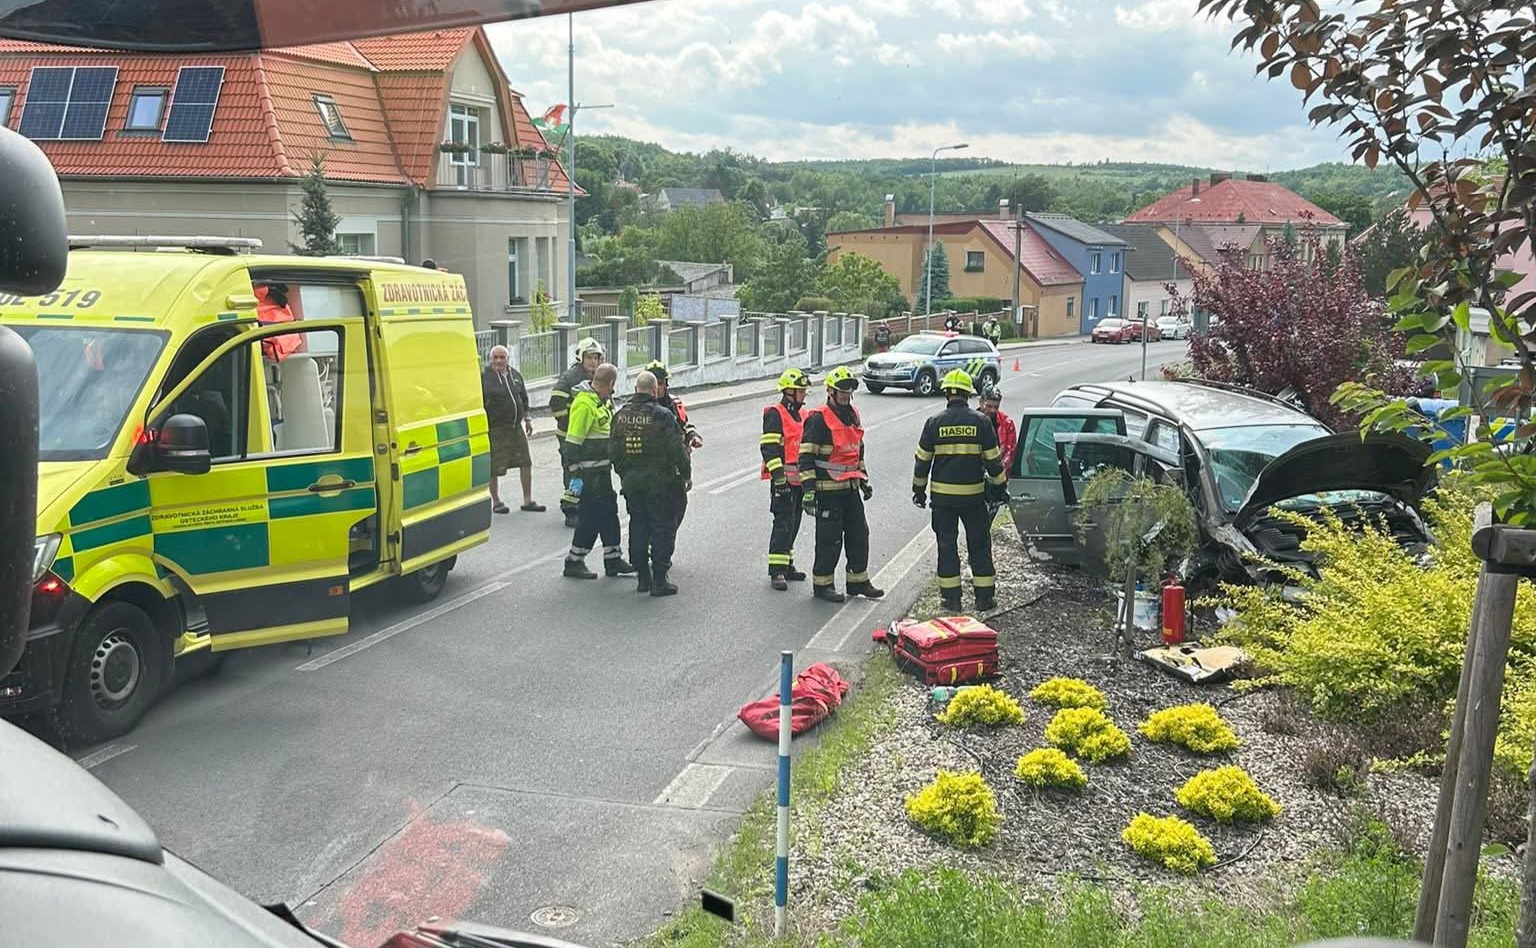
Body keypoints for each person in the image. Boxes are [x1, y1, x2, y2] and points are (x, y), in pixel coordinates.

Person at [912, 369, 1008, 613]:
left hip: (943, 501)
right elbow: (994, 461)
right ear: (968, 394)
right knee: (979, 545)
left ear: (946, 394)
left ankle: (951, 600)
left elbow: (922, 461)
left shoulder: (934, 423)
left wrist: (919, 491)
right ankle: (984, 598)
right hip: (973, 499)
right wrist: (999, 488)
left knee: (947, 546)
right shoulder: (982, 422)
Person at [799, 365, 883, 603]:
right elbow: (805, 457)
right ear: (830, 392)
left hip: (850, 489)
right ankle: (822, 585)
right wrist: (808, 491)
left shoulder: (853, 414)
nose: (846, 396)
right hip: (828, 492)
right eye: (841, 391)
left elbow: (857, 451)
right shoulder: (818, 419)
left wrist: (863, 479)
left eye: (848, 392)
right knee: (829, 539)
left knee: (859, 535)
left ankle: (858, 582)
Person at [611, 371, 690, 597]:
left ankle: (642, 577)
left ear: (636, 389)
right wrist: (685, 475)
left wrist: (625, 474)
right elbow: (677, 449)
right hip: (661, 483)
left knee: (639, 525)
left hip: (632, 483)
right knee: (663, 528)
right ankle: (659, 579)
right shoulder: (662, 415)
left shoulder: (621, 415)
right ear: (655, 390)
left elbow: (613, 451)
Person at [562, 362, 635, 580]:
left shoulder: (601, 401)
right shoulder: (585, 404)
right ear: (610, 383)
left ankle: (613, 559)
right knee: (591, 517)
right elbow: (572, 444)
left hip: (602, 471)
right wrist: (575, 476)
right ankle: (574, 561)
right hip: (588, 473)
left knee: (608, 513)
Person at [762, 368, 811, 591]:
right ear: (788, 391)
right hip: (783, 481)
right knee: (783, 523)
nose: (803, 394)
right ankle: (777, 571)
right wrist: (779, 478)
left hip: (799, 480)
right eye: (800, 390)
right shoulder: (775, 413)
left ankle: (788, 565)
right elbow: (769, 448)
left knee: (794, 523)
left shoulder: (802, 415)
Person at [550, 337, 606, 527]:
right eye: (590, 358)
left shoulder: (597, 377)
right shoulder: (571, 377)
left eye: (597, 358)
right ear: (581, 358)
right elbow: (556, 402)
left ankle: (585, 505)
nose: (594, 362)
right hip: (570, 435)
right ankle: (571, 510)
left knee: (586, 470)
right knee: (573, 469)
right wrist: (571, 423)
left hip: (588, 436)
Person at [481, 345, 543, 514]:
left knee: (525, 461)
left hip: (516, 427)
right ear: (491, 359)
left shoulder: (515, 375)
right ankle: (496, 501)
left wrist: (528, 420)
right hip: (496, 429)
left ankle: (527, 500)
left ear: (507, 359)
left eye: (502, 357)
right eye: (496, 357)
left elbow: (523, 398)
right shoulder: (484, 378)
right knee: (494, 466)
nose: (499, 361)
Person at [644, 359, 702, 525]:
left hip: (676, 468)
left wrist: (693, 436)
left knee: (677, 510)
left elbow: (685, 425)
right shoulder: (637, 407)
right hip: (650, 470)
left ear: (666, 384)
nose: (657, 388)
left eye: (660, 383)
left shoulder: (674, 404)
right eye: (654, 383)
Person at [980, 385, 1017, 474]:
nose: (993, 410)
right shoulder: (972, 421)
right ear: (981, 402)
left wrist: (999, 471)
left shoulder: (1007, 423)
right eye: (989, 406)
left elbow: (1010, 452)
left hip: (999, 472)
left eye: (996, 407)